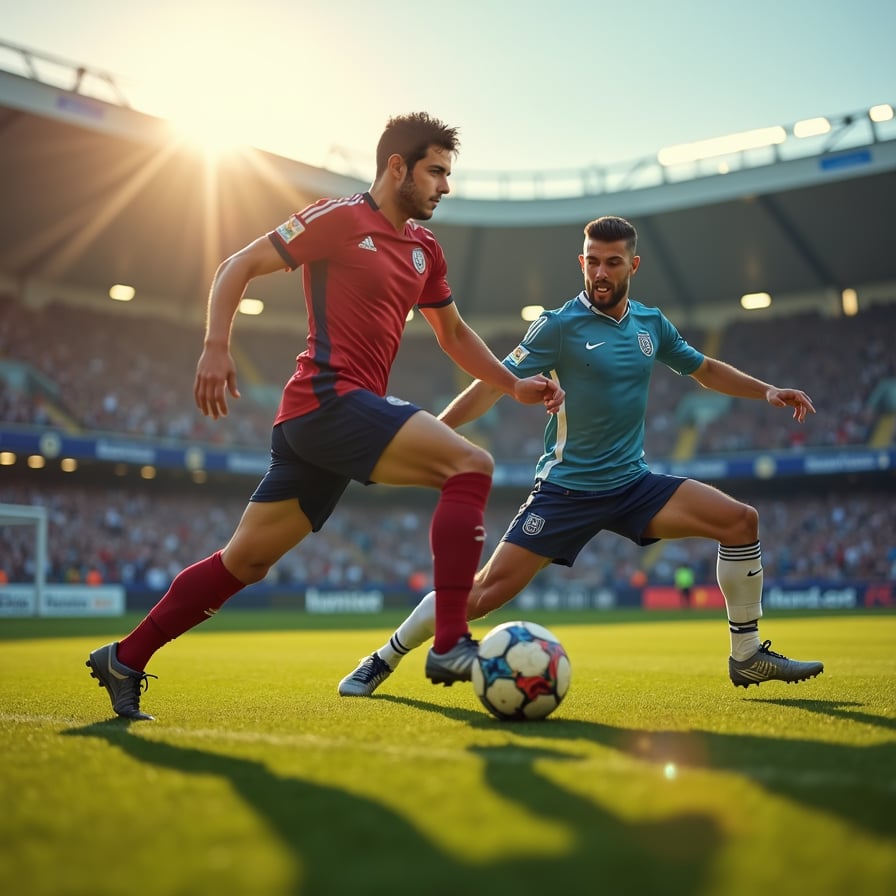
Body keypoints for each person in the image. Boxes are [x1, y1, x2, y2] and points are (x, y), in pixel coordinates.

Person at [86, 112, 564, 721]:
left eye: (448, 173)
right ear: (398, 167)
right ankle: (448, 642)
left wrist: (512, 384)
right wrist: (214, 345)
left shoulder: (425, 250)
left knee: (246, 563)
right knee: (470, 464)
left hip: (336, 419)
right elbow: (237, 265)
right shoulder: (337, 218)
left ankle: (124, 658)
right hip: (325, 399)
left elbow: (453, 334)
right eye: (436, 171)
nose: (445, 186)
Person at [338, 214, 824, 697]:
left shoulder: (651, 324)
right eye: (592, 262)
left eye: (612, 263)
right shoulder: (558, 325)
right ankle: (382, 658)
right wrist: (434, 432)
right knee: (481, 594)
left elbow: (705, 369)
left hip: (632, 485)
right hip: (565, 492)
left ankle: (747, 656)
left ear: (633, 264)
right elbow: (491, 386)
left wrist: (768, 392)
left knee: (741, 521)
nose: (600, 274)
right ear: (581, 262)